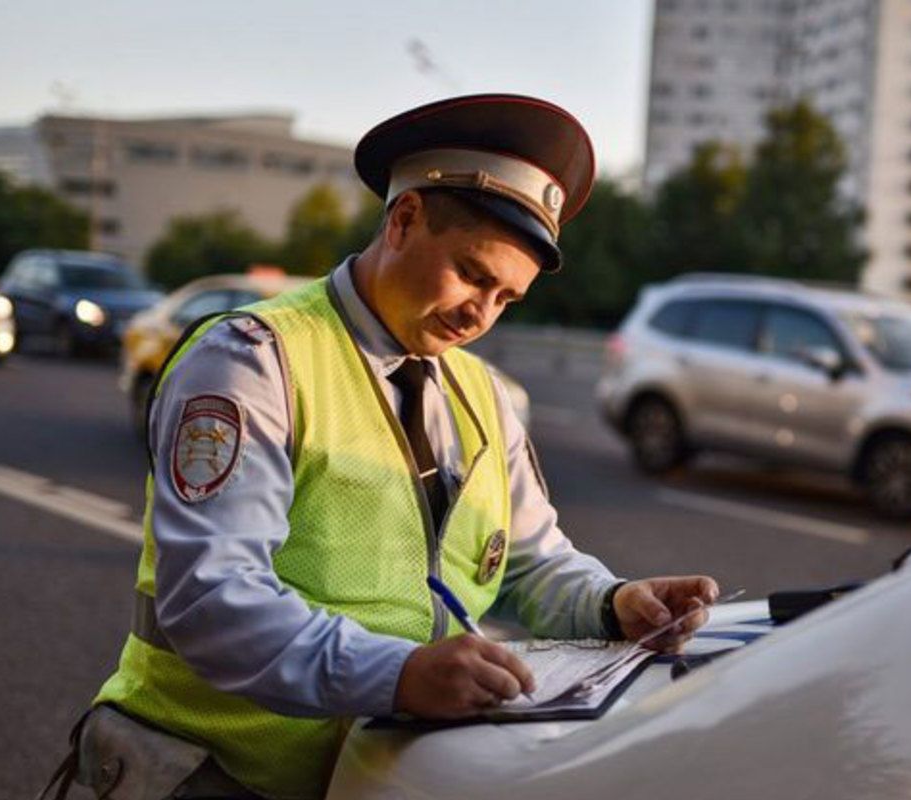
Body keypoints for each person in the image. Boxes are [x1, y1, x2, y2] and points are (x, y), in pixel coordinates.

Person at [51, 94, 720, 800]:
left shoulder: (481, 393)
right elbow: (212, 600)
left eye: (506, 299)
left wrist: (613, 603)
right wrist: (400, 677)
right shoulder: (253, 360)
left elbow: (529, 560)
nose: (480, 315)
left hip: (373, 777)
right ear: (403, 220)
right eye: (472, 274)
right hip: (211, 770)